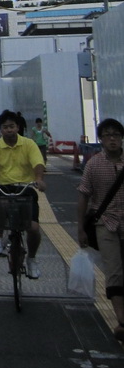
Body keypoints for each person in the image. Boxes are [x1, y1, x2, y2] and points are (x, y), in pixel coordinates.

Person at [0, 109, 46, 278]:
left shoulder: (29, 144)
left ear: (18, 127)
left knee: (33, 228)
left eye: (12, 126)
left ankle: (32, 259)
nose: (9, 130)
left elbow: (38, 163)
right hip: (3, 187)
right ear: (0, 129)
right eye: (5, 127)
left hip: (25, 188)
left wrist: (39, 179)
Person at [77, 117, 124, 342]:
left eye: (116, 135)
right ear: (101, 139)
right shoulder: (94, 164)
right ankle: (122, 321)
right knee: (114, 270)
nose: (112, 139)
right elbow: (83, 196)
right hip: (105, 223)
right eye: (107, 135)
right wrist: (80, 229)